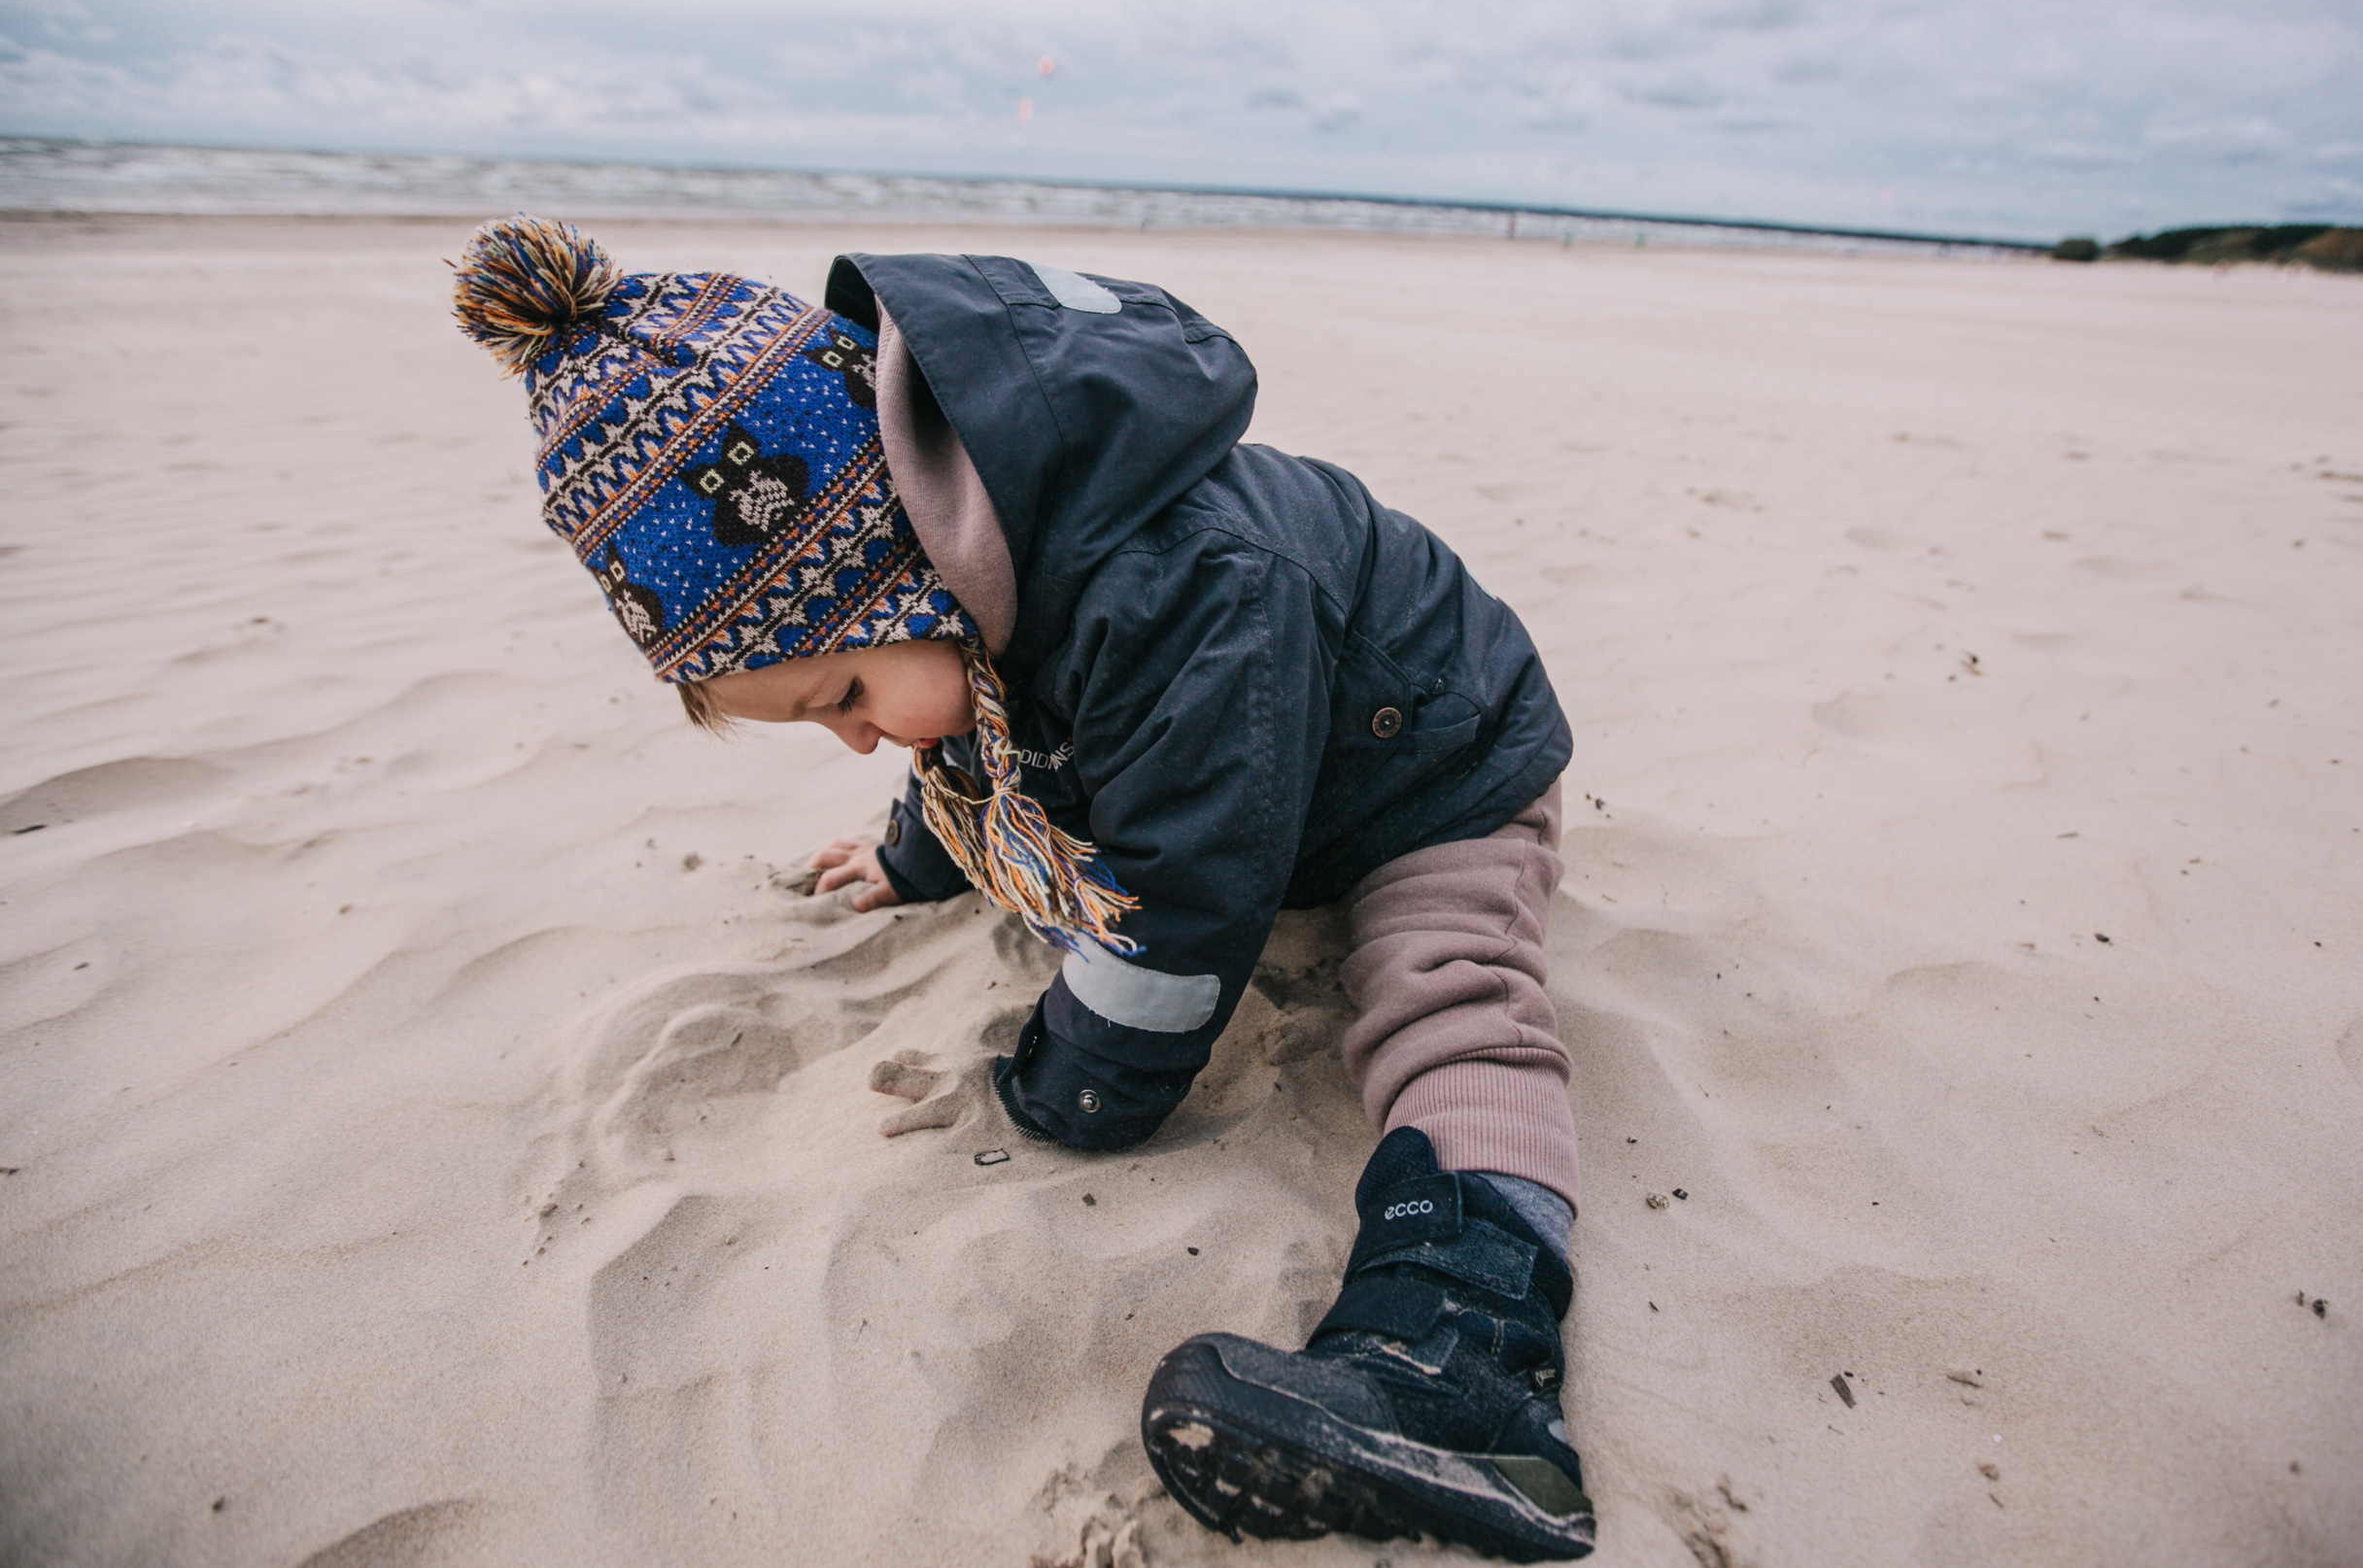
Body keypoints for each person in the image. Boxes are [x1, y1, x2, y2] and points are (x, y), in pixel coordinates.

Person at [449, 219, 1595, 1560]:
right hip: (1262, 767)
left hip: (1431, 771)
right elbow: (981, 740)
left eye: (842, 697)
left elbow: (1180, 899)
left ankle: (1464, 1362)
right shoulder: (978, 585)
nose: (860, 738)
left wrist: (1073, 1089)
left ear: (896, 565)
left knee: (1449, 988)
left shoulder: (1181, 597)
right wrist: (910, 854)